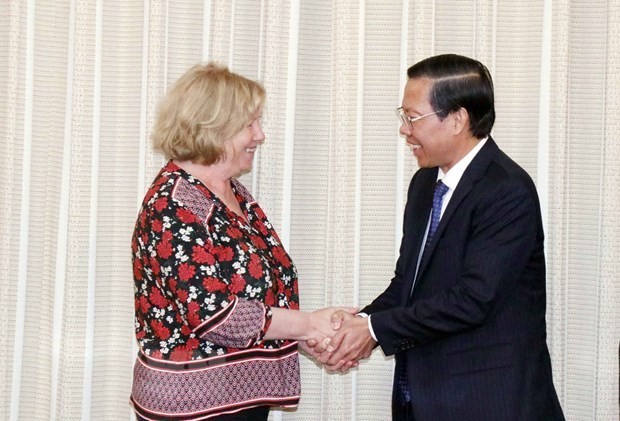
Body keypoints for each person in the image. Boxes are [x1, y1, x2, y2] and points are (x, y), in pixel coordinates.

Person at [320, 54, 565, 420]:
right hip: (422, 396)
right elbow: (409, 283)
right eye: (402, 117)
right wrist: (360, 324)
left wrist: (372, 329)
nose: (404, 129)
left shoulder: (506, 189)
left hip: (489, 401)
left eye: (412, 117)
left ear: (457, 119)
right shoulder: (424, 184)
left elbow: (474, 299)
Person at [130, 62, 354, 421]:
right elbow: (214, 314)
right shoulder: (173, 203)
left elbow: (262, 295)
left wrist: (310, 337)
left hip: (240, 399)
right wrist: (311, 324)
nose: (260, 135)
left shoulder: (232, 193)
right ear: (213, 127)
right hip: (193, 406)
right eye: (249, 124)